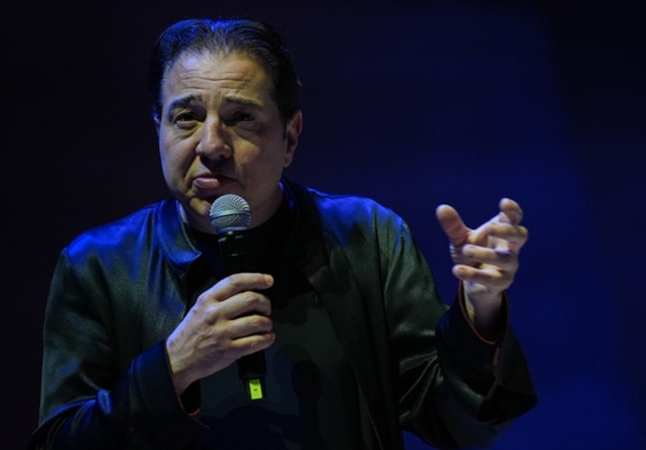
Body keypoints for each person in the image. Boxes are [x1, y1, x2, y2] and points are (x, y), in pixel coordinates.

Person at [27, 17, 537, 450]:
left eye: (240, 118)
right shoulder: (99, 265)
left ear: (290, 136)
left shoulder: (368, 237)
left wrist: (481, 308)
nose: (211, 145)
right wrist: (173, 368)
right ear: (157, 127)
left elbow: (458, 423)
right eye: (185, 118)